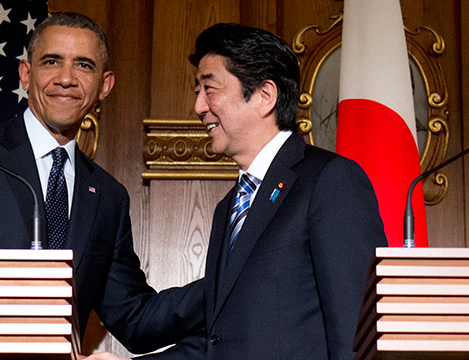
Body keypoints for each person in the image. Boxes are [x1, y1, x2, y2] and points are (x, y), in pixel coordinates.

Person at [0, 12, 203, 354]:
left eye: (83, 65)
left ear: (104, 85)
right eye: (51, 62)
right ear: (25, 74)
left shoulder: (108, 196)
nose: (66, 79)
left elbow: (135, 318)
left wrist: (227, 284)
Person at [88, 23, 387, 360]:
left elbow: (357, 332)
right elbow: (220, 342)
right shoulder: (230, 207)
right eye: (196, 91)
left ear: (264, 96)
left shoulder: (330, 181)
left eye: (210, 88)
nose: (199, 106)